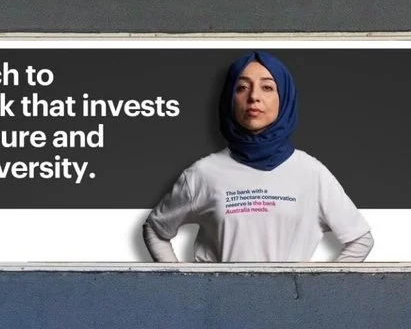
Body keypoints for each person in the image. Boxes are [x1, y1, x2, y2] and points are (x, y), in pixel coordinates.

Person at [143, 51, 374, 264]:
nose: (253, 97)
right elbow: (155, 229)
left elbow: (361, 239)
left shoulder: (311, 173)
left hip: (289, 297)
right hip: (218, 297)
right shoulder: (202, 173)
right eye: (242, 87)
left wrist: (318, 288)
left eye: (267, 87)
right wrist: (183, 284)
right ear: (229, 98)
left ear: (284, 98)